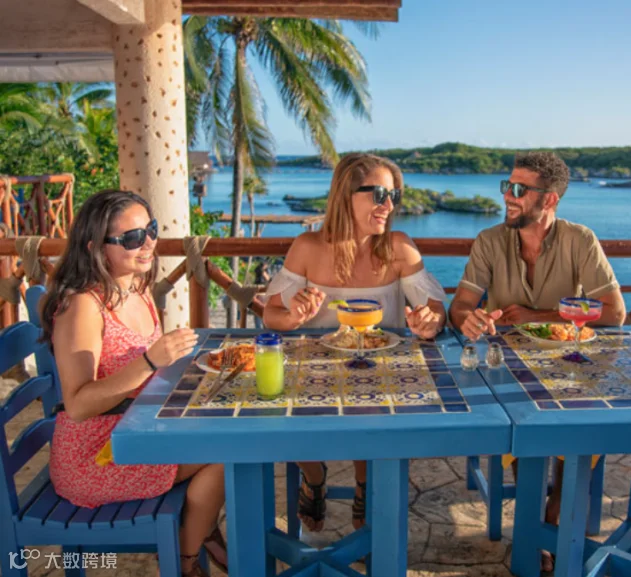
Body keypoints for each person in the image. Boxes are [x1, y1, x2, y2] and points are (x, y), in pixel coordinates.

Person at [449, 150, 627, 572]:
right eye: (506, 186)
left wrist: (539, 316)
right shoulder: (490, 240)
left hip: (573, 364)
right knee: (520, 425)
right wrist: (469, 318)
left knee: (578, 426)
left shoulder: (580, 240)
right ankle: (537, 519)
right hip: (508, 367)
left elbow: (614, 313)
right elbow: (459, 306)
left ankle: (553, 513)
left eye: (519, 189)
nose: (508, 196)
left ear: (549, 199)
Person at [41, 190, 227, 577]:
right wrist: (150, 361)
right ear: (96, 247)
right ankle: (186, 556)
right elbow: (77, 404)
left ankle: (200, 532)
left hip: (139, 430)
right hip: (97, 455)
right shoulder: (83, 306)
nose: (148, 243)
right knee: (228, 450)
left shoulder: (136, 287)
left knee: (228, 436)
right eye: (132, 238)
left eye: (151, 230)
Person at [263, 153, 447, 532]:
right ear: (345, 194)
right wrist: (294, 317)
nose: (388, 205)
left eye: (393, 195)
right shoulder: (308, 247)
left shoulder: (398, 247)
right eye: (378, 194)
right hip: (316, 370)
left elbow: (435, 310)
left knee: (372, 411)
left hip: (380, 372)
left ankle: (365, 484)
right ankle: (314, 475)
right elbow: (272, 316)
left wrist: (429, 322)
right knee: (272, 412)